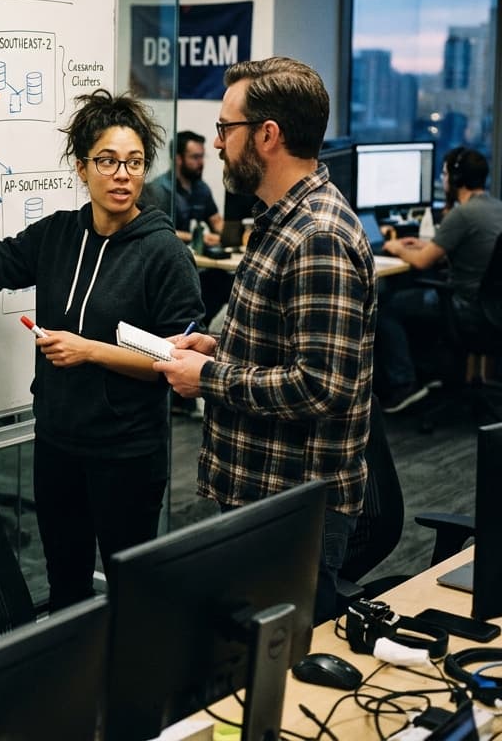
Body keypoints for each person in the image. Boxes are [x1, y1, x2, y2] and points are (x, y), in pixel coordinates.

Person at [0, 89, 204, 611]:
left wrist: (90, 351)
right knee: (66, 585)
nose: (122, 175)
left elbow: (178, 365)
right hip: (58, 443)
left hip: (126, 453)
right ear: (82, 168)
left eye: (133, 162)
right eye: (107, 161)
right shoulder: (58, 234)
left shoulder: (164, 253)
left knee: (132, 592)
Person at [153, 57, 376, 624]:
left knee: (284, 666)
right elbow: (282, 346)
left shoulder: (316, 236)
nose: (218, 144)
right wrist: (217, 349)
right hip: (263, 493)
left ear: (268, 135)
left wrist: (209, 379)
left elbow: (320, 387)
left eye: (225, 128)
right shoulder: (280, 221)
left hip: (289, 505)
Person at [375, 147, 502, 413]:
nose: (443, 180)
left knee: (385, 308)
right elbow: (456, 246)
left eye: (444, 174)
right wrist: (426, 245)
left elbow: (422, 262)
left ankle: (404, 383)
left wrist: (396, 247)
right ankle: (429, 372)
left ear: (456, 179)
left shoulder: (462, 214)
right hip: (492, 310)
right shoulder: (495, 207)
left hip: (464, 307)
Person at [142, 129, 233, 328]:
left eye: (202, 157)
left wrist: (236, 232)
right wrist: (195, 237)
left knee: (230, 282)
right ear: (178, 159)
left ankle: (200, 326)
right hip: (170, 266)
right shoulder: (158, 190)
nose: (201, 162)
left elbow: (216, 222)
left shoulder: (201, 188)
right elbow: (158, 231)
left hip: (198, 265)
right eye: (195, 157)